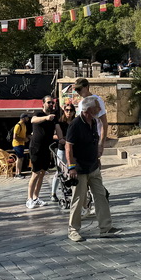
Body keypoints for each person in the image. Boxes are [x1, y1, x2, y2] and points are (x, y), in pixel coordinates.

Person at [65, 96, 121, 242]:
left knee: (100, 196)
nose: (99, 109)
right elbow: (68, 147)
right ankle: (73, 230)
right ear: (88, 110)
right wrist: (71, 167)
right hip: (79, 169)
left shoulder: (94, 121)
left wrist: (97, 157)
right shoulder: (75, 125)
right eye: (97, 107)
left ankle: (106, 228)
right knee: (78, 199)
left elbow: (93, 141)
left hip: (93, 167)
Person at [27, 95, 64, 208]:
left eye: (52, 103)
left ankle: (36, 197)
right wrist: (46, 118)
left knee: (42, 173)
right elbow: (33, 120)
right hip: (36, 148)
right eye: (48, 102)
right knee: (35, 173)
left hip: (46, 149)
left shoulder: (54, 117)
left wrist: (62, 139)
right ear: (43, 104)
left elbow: (58, 129)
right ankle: (29, 199)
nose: (51, 104)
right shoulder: (39, 114)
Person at [73, 78, 107, 159]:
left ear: (86, 87)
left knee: (94, 164)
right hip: (83, 138)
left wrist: (101, 144)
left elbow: (104, 123)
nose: (78, 92)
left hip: (94, 138)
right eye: (76, 89)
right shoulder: (81, 102)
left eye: (79, 89)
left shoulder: (97, 100)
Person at [51, 102, 77, 203]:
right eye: (67, 110)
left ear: (74, 112)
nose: (69, 112)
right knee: (60, 171)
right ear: (64, 111)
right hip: (62, 148)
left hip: (73, 149)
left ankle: (70, 189)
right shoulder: (60, 122)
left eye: (70, 110)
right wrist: (61, 139)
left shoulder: (76, 122)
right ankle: (53, 193)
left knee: (72, 169)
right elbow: (53, 135)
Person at [11, 114, 30, 178]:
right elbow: (15, 137)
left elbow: (24, 135)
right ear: (23, 118)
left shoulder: (24, 125)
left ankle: (18, 172)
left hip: (21, 144)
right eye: (27, 117)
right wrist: (24, 139)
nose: (28, 119)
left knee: (20, 158)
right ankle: (18, 173)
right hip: (17, 144)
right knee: (20, 158)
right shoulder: (18, 125)